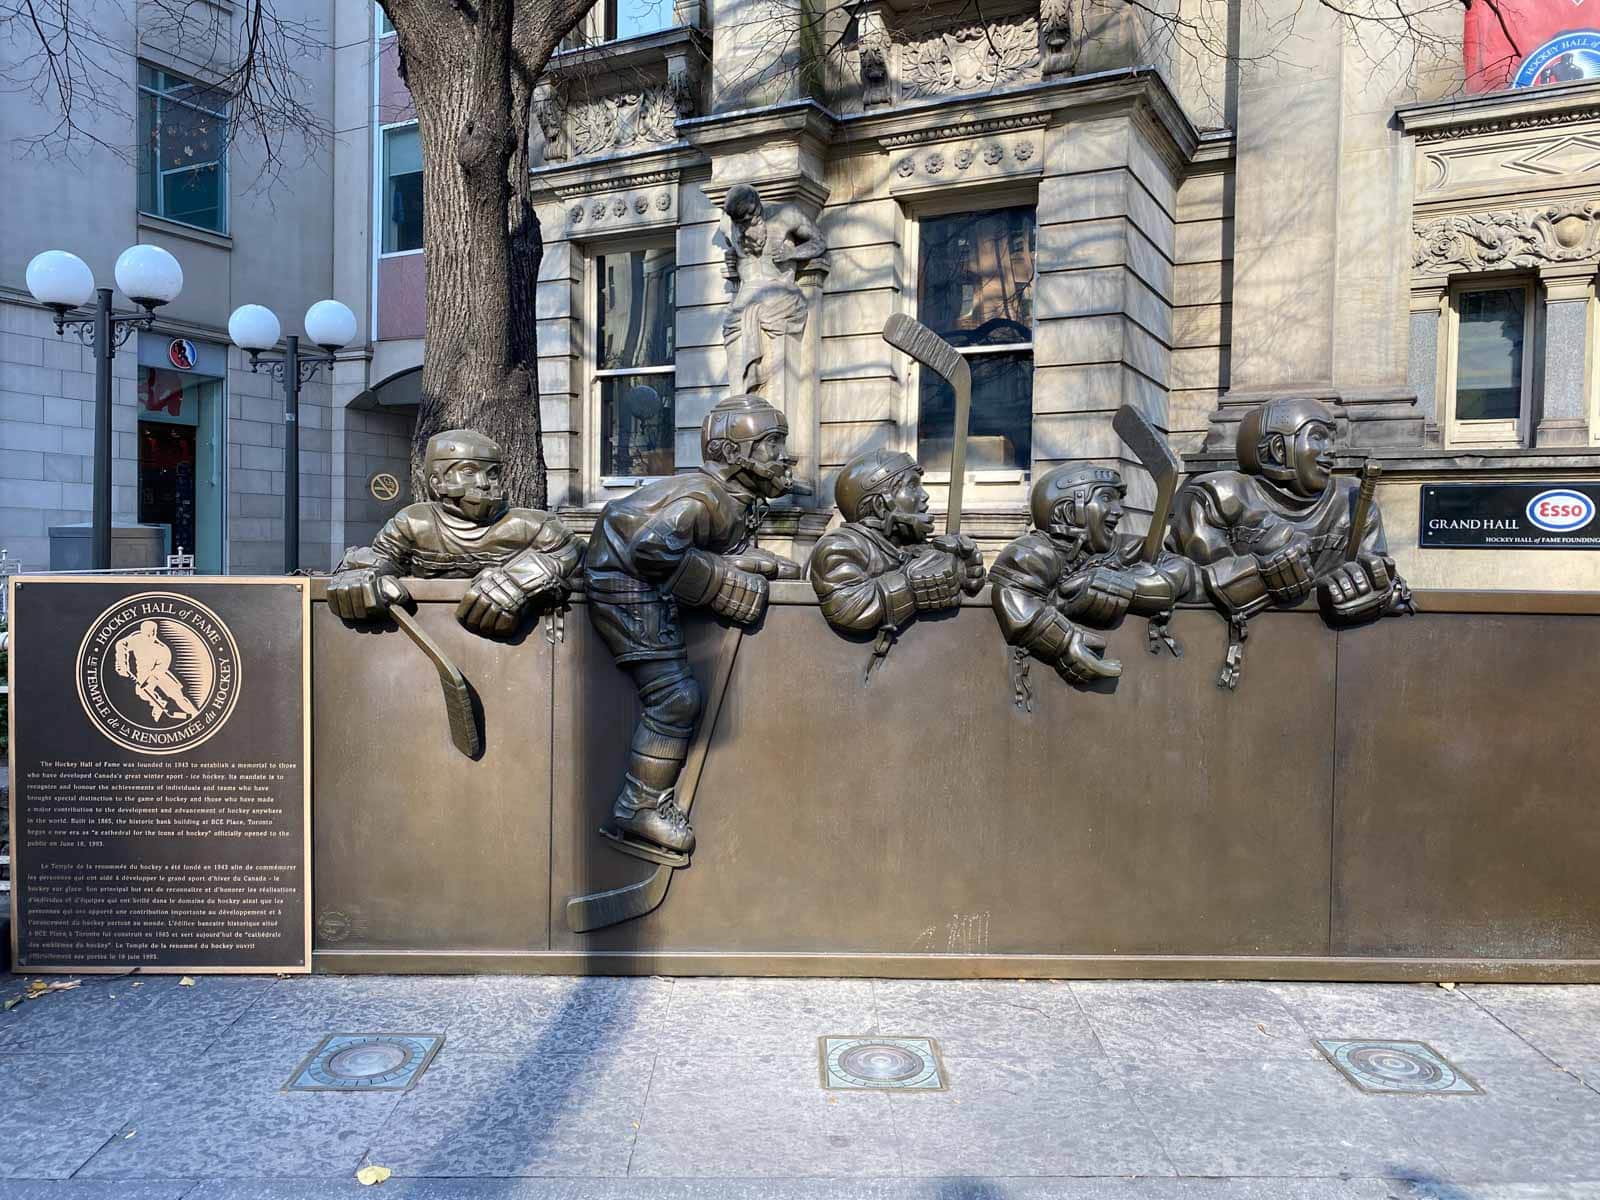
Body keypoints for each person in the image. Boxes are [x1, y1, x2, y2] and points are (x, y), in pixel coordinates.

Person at [585, 392, 803, 860]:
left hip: (645, 578)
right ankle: (638, 804)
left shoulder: (732, 498)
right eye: (772, 443)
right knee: (676, 698)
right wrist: (727, 583)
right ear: (731, 454)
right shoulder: (702, 497)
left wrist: (745, 562)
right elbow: (652, 550)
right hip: (625, 585)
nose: (784, 455)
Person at [1169, 397, 1411, 684]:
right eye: (1318, 437)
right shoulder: (1215, 496)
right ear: (1278, 449)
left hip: (1322, 668)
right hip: (1222, 667)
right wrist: (1261, 573)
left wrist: (1377, 590)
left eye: (1331, 440)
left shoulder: (1354, 503)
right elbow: (1195, 587)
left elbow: (1384, 576)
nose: (1330, 451)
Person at [326, 429, 583, 637]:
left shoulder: (533, 525)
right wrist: (358, 579)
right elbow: (380, 563)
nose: (484, 483)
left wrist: (523, 579)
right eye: (469, 472)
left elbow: (581, 560)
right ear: (436, 481)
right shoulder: (413, 522)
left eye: (491, 473)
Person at [990, 465, 1193, 694]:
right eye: (1106, 499)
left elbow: (1181, 568)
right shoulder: (1030, 553)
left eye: (1118, 501)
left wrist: (1122, 584)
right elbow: (1018, 603)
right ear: (1068, 510)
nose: (1118, 511)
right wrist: (1064, 643)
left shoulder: (1122, 548)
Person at [808, 448, 984, 673]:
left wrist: (962, 572)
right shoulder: (840, 547)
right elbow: (849, 609)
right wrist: (914, 585)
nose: (924, 496)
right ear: (882, 505)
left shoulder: (914, 547)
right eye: (912, 486)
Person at [114, 620, 199, 722]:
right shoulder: (136, 638)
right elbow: (121, 645)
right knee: (142, 692)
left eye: (152, 634)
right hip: (143, 674)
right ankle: (158, 703)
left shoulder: (163, 650)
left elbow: (157, 672)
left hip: (160, 674)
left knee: (178, 695)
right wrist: (122, 663)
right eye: (146, 634)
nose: (149, 637)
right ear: (142, 632)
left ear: (155, 633)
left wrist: (146, 682)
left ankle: (196, 714)